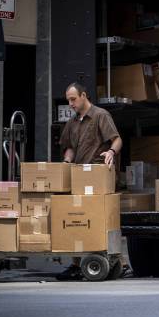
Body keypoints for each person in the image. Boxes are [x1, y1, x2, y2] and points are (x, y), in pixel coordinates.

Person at [56, 82, 122, 280]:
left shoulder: (101, 115)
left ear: (84, 95)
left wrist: (111, 151)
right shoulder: (73, 122)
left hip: (97, 176)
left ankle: (114, 259)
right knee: (77, 219)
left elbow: (117, 139)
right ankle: (76, 264)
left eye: (73, 99)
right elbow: (69, 147)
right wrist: (67, 161)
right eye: (68, 100)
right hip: (78, 177)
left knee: (99, 219)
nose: (70, 104)